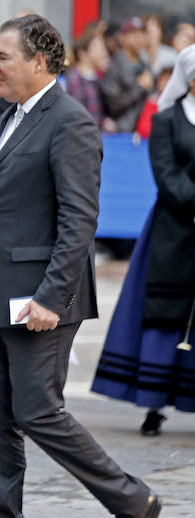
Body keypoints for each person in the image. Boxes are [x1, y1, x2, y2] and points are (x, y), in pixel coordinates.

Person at [0, 15, 161, 518]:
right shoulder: (8, 115)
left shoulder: (72, 122)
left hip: (42, 300)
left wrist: (50, 297)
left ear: (40, 61)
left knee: (38, 411)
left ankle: (131, 499)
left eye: (3, 58)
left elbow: (79, 221)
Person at [92, 44, 195, 436]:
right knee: (165, 312)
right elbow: (166, 175)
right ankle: (154, 404)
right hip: (172, 228)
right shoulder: (166, 120)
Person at [102, 16, 153, 132]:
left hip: (144, 131)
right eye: (134, 34)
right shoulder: (114, 66)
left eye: (142, 34)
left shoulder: (145, 63)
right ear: (123, 38)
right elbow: (114, 104)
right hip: (122, 131)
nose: (139, 39)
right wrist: (139, 87)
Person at [65, 27, 116, 132]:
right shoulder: (75, 78)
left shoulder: (97, 77)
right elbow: (76, 115)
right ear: (82, 53)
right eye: (97, 49)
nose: (102, 52)